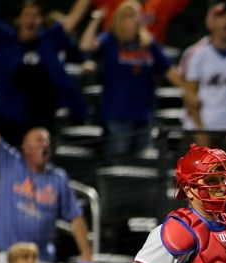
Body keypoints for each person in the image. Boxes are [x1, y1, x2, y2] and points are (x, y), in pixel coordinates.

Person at [0, 84, 92, 263]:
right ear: (26, 148)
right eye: (40, 141)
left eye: (47, 141)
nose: (45, 145)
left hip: (41, 261)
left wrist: (87, 256)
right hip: (4, 257)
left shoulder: (58, 178)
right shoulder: (9, 162)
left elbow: (75, 217)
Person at [79, 1, 197, 158]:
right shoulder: (110, 40)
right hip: (118, 115)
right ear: (120, 20)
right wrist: (96, 20)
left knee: (143, 165)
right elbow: (85, 45)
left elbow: (169, 71)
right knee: (118, 162)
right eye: (130, 16)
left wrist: (190, 90)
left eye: (138, 15)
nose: (136, 20)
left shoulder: (148, 44)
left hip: (144, 115)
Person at [0, 0, 90, 146]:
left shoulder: (50, 39)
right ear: (17, 20)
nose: (31, 19)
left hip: (42, 119)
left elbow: (75, 15)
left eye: (36, 15)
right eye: (26, 15)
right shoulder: (3, 38)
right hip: (9, 118)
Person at [181, 3, 226, 155]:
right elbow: (189, 94)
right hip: (201, 127)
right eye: (221, 16)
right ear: (210, 23)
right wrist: (200, 131)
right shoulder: (196, 53)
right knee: (197, 178)